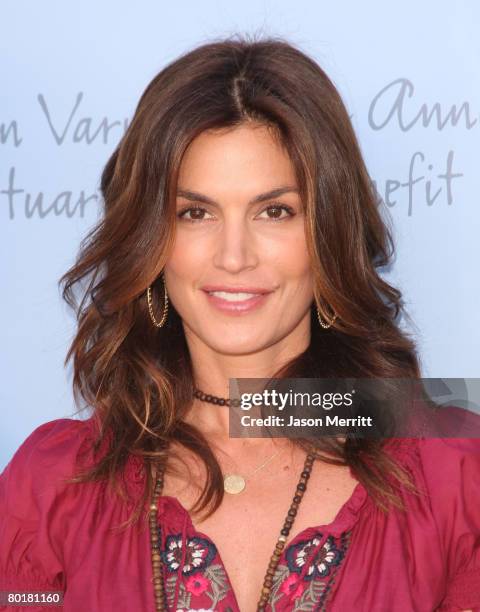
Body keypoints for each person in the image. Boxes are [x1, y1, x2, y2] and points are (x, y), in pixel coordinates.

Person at [1, 35, 479, 612]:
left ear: (328, 236)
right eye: (194, 213)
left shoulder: (453, 472)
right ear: (152, 241)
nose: (234, 256)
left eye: (275, 211)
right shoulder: (51, 487)